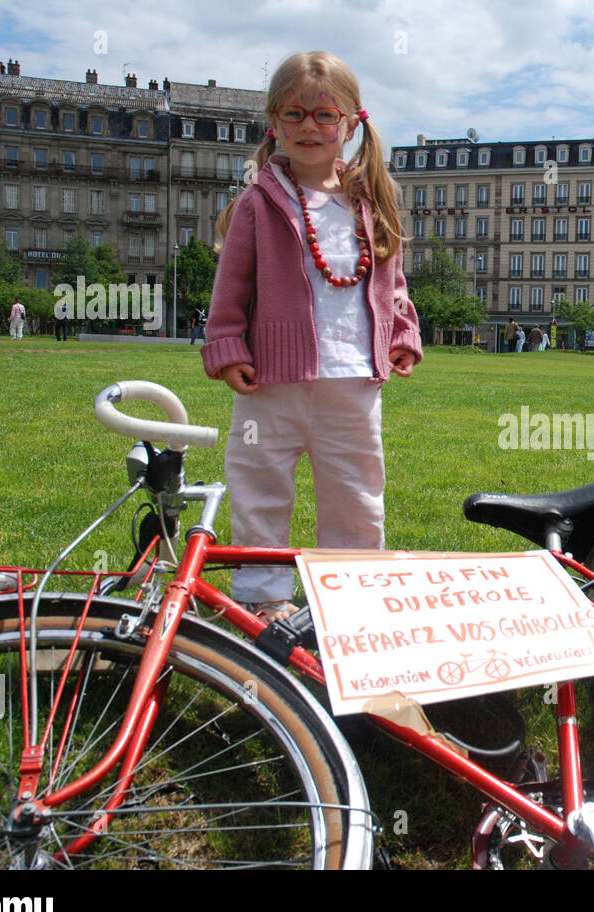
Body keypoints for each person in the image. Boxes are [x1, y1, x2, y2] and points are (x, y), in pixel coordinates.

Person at [201, 50, 422, 624]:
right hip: (271, 381)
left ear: (351, 123)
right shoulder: (259, 202)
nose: (309, 127)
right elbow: (232, 287)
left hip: (352, 382)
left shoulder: (370, 201)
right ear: (275, 120)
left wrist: (401, 332)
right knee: (259, 485)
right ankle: (263, 599)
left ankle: (351, 599)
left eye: (325, 115)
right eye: (294, 114)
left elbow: (391, 281)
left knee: (355, 494)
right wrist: (226, 348)